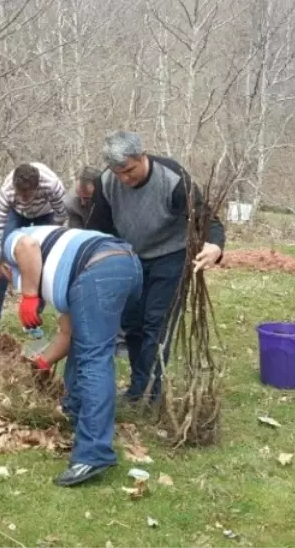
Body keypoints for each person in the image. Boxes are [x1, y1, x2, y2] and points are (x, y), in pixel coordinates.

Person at [86, 131, 225, 404]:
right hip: (128, 256)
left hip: (170, 255)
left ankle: (147, 390)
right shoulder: (106, 183)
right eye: (118, 173)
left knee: (156, 324)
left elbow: (208, 220)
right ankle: (142, 385)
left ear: (142, 156)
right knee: (131, 323)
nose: (124, 179)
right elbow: (97, 229)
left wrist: (215, 247)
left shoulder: (172, 179)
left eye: (129, 171)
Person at [1, 223, 142, 487]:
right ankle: (77, 412)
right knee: (87, 343)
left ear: (8, 269)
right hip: (126, 266)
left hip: (99, 269)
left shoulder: (11, 243)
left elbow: (26, 247)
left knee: (94, 357)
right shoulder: (64, 270)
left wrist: (29, 297)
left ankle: (93, 453)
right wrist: (43, 362)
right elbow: (68, 334)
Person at [0, 162, 67, 338]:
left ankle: (30, 320)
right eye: (21, 195)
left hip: (46, 214)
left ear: (37, 188)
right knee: (4, 265)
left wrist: (48, 237)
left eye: (28, 195)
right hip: (17, 215)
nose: (24, 199)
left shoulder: (51, 184)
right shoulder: (8, 191)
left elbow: (62, 212)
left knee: (41, 266)